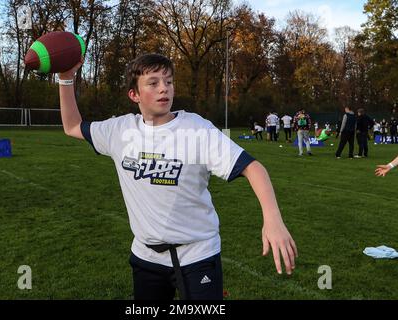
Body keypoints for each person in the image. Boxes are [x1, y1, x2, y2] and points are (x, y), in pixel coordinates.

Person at [57, 53, 297, 300]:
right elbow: (72, 126)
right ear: (134, 95)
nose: (164, 89)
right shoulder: (119, 130)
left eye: (168, 81)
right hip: (145, 256)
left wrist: (273, 220)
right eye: (153, 83)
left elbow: (253, 168)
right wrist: (66, 79)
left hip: (197, 255)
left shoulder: (196, 129)